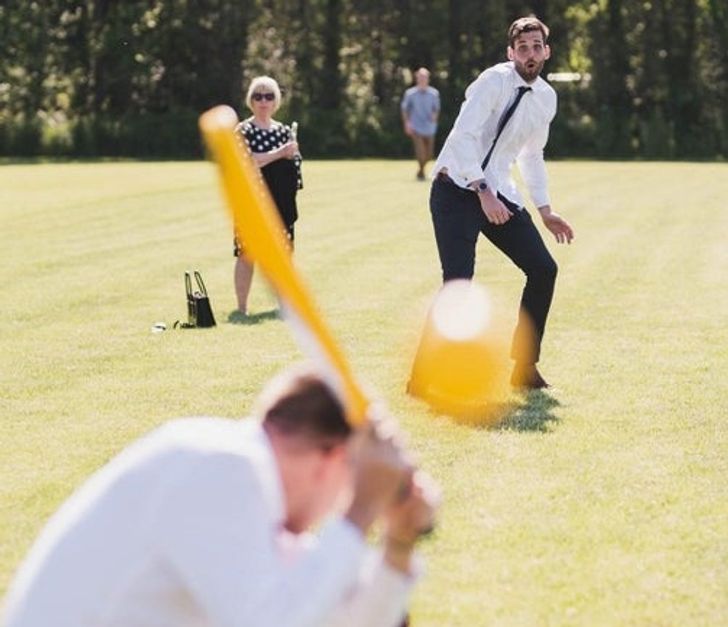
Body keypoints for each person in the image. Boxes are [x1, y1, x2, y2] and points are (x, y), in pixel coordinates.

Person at [2, 363, 439, 627]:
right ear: (332, 460)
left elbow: (335, 618)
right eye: (347, 489)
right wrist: (361, 510)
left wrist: (397, 546)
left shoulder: (243, 487)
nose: (336, 510)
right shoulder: (224, 467)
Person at [429, 16, 575, 390]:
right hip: (457, 188)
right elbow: (463, 136)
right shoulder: (493, 81)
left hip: (497, 191)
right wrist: (482, 190)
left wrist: (545, 210)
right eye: (522, 48)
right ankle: (426, 378)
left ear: (547, 51)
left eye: (536, 47)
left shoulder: (546, 97)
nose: (529, 54)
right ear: (511, 52)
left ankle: (524, 368)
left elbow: (532, 155)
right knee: (458, 284)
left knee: (543, 269)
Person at [234, 75, 302, 315]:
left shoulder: (283, 131)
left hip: (281, 200)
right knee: (247, 253)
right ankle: (242, 307)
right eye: (258, 96)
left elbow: (294, 165)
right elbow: (248, 161)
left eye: (269, 96)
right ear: (250, 100)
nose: (263, 101)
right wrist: (281, 152)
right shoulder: (243, 130)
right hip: (252, 201)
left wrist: (292, 153)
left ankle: (284, 304)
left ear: (276, 101)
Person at [401, 67, 440, 180]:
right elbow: (405, 109)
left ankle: (420, 171)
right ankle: (421, 173)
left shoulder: (434, 93)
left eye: (425, 77)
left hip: (430, 127)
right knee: (421, 152)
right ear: (417, 78)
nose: (423, 79)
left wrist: (434, 116)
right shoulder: (410, 94)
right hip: (416, 127)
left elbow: (436, 109)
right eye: (420, 77)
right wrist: (407, 123)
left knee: (429, 154)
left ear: (428, 79)